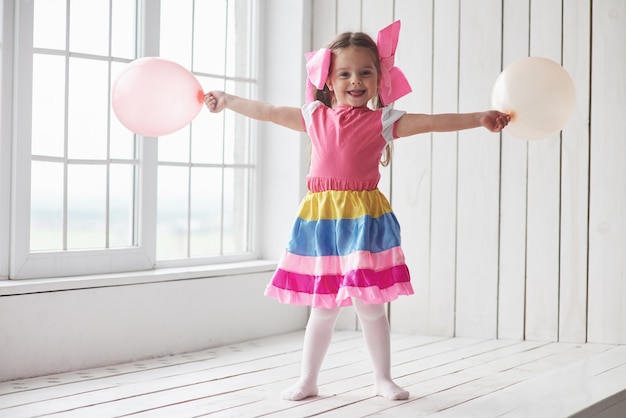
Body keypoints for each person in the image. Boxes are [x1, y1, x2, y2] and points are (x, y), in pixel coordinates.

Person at [204, 21, 510, 402]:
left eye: (365, 72)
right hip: (322, 223)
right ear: (328, 80)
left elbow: (432, 122)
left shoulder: (383, 121)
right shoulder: (313, 116)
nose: (356, 80)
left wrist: (478, 118)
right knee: (324, 307)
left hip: (364, 221)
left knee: (371, 307)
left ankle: (383, 378)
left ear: (379, 79)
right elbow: (266, 111)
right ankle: (308, 379)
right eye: (344, 73)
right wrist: (228, 99)